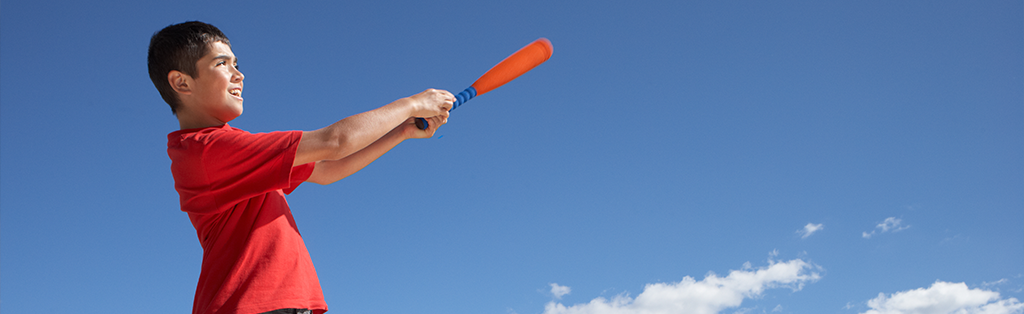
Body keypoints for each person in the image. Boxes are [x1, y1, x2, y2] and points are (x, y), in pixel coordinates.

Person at [148, 21, 453, 314]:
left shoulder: (228, 150)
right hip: (252, 306)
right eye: (221, 64)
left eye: (236, 64)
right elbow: (335, 141)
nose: (239, 74)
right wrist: (412, 103)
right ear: (181, 82)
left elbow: (327, 168)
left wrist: (402, 130)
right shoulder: (204, 150)